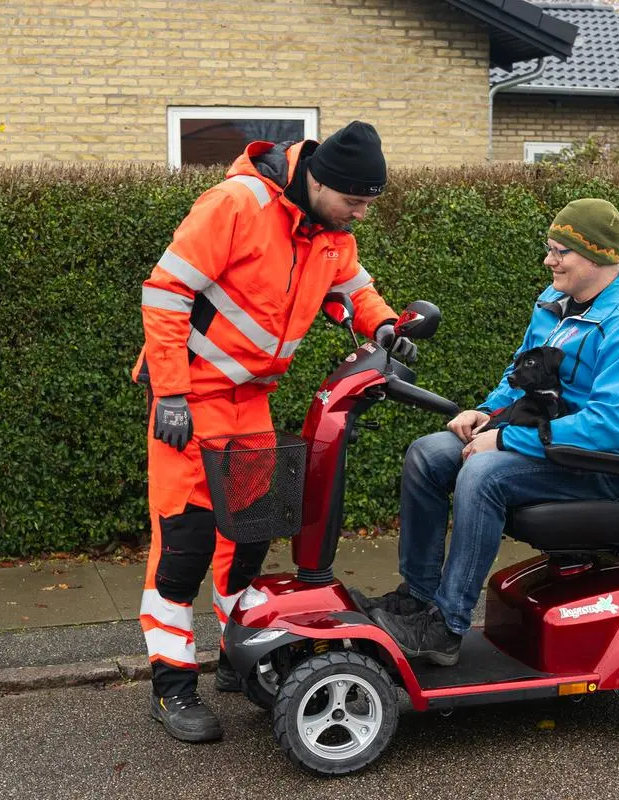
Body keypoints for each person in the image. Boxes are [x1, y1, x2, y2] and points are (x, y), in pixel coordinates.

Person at [133, 121, 417, 742]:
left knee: (251, 535)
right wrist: (173, 392)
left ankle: (239, 655)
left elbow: (354, 291)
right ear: (318, 180)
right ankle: (173, 687)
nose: (361, 216)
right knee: (185, 545)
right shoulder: (236, 204)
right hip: (192, 398)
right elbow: (166, 293)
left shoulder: (332, 232)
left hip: (251, 402)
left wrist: (386, 326)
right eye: (355, 202)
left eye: (369, 204)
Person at [356, 198, 619, 667]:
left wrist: (504, 440)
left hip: (605, 468)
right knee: (427, 454)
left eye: (559, 251)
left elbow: (608, 426)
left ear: (597, 257)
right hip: (549, 445)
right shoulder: (555, 305)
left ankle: (446, 627)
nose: (549, 261)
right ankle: (418, 597)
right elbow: (520, 375)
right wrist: (487, 413)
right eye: (549, 249)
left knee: (483, 472)